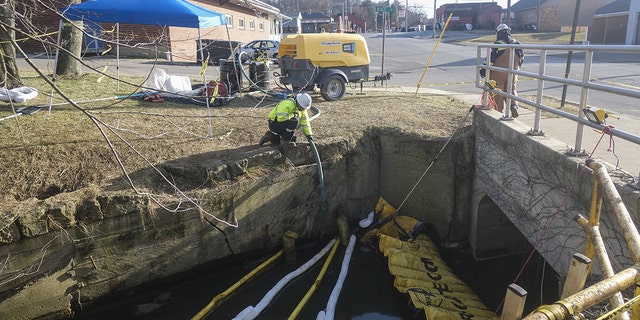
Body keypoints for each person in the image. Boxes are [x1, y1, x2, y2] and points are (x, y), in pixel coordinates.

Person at [479, 23, 524, 117]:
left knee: (498, 92)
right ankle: (514, 106)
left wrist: (483, 68)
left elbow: (490, 59)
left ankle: (499, 112)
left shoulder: (498, 44)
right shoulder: (517, 43)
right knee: (511, 90)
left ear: (498, 33)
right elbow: (521, 58)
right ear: (508, 31)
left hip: (498, 72)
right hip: (513, 72)